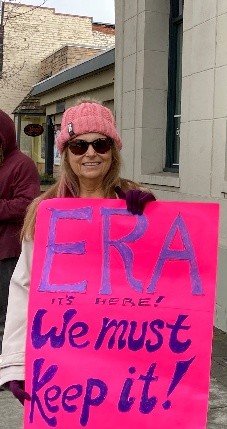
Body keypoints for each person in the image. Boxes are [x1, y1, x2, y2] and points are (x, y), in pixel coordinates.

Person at [0, 100, 155, 404]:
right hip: (65, 352)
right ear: (66, 153)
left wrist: (153, 222)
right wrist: (16, 364)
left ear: (113, 150)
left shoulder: (134, 203)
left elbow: (161, 277)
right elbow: (24, 287)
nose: (91, 153)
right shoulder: (44, 211)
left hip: (125, 350)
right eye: (78, 146)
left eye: (101, 143)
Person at [0, 110, 40, 351]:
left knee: (7, 314)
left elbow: (28, 204)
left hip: (9, 252)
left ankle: (7, 364)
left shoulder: (21, 164)